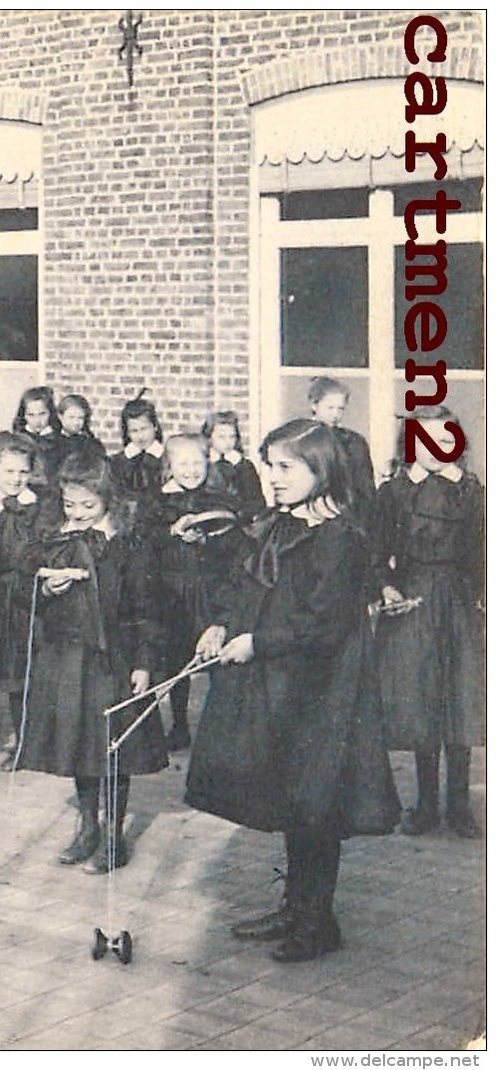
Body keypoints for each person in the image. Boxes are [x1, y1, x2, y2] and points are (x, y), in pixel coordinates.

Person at [186, 419, 399, 963]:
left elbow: (324, 625)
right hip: (279, 683)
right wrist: (221, 624)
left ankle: (317, 922)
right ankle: (295, 907)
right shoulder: (276, 524)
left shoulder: (340, 538)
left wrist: (257, 642)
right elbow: (247, 585)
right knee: (291, 795)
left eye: (286, 467)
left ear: (320, 470)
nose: (274, 479)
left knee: (316, 802)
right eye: (270, 467)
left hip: (323, 690)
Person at [14, 454, 163, 873]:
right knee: (81, 744)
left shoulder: (127, 546)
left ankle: (114, 835)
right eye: (70, 505)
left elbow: (146, 609)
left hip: (112, 659)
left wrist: (144, 663)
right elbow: (21, 588)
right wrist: (45, 588)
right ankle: (87, 826)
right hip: (68, 658)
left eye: (88, 507)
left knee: (113, 746)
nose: (78, 515)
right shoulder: (53, 540)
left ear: (108, 502)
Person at [372, 408, 484, 838]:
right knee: (421, 700)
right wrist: (385, 587)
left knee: (460, 698)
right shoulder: (395, 492)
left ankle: (459, 806)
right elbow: (376, 551)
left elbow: (482, 550)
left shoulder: (472, 491)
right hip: (414, 600)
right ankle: (425, 804)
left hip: (459, 603)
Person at [143, 434, 249, 752]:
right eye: (182, 464)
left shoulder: (220, 499)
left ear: (207, 463)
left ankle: (222, 726)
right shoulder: (157, 503)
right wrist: (172, 531)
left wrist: (207, 539)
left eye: (196, 463)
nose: (190, 470)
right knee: (177, 660)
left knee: (218, 657)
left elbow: (234, 543)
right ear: (169, 466)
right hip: (171, 591)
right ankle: (179, 724)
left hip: (210, 590)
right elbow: (147, 541)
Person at [0, 432, 44, 770]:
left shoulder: (42, 509)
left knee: (41, 673)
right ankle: (22, 740)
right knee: (16, 676)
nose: (16, 479)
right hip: (3, 603)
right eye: (9, 471)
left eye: (23, 472)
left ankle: (41, 738)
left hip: (39, 602)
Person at [307, 377, 376, 522]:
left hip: (345, 519)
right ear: (314, 405)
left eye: (340, 409)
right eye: (330, 408)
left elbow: (365, 490)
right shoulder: (299, 440)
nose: (335, 414)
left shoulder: (354, 442)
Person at [108, 390, 165, 528]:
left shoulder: (165, 458)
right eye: (134, 431)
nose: (140, 436)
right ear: (127, 433)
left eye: (144, 429)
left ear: (155, 427)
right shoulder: (119, 461)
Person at [203, 411, 265, 516]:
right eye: (221, 437)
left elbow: (257, 502)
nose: (228, 442)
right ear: (209, 438)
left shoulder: (245, 466)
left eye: (232, 436)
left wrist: (240, 467)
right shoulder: (202, 464)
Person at [12, 386, 63, 488]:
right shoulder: (18, 440)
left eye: (42, 414)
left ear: (50, 413)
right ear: (24, 416)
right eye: (31, 415)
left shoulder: (60, 441)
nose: (37, 421)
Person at [56, 394, 108, 468]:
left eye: (80, 418)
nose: (76, 422)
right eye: (71, 417)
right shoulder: (51, 443)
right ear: (60, 416)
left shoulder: (93, 445)